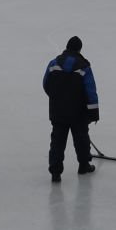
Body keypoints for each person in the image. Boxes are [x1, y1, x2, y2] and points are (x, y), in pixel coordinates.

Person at [42, 36, 99, 182]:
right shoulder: (84, 66)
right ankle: (84, 165)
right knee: (81, 138)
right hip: (78, 112)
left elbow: (46, 84)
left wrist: (56, 99)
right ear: (79, 49)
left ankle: (55, 173)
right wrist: (93, 113)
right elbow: (90, 91)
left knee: (57, 141)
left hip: (58, 110)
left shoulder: (54, 63)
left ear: (66, 47)